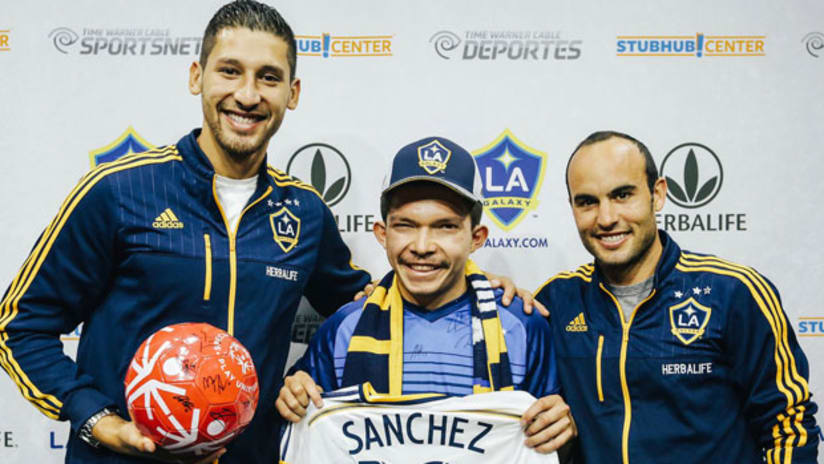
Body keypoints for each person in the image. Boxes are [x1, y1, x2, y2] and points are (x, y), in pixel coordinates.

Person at [0, 2, 537, 463]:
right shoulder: (118, 191)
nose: (248, 94)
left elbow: (370, 302)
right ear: (196, 77)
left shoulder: (304, 212)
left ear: (293, 92)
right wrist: (96, 419)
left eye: (269, 77)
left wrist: (477, 288)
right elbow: (19, 327)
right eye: (230, 71)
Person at [276, 136, 576, 459]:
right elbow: (305, 434)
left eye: (445, 227)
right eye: (405, 225)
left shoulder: (521, 325)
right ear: (382, 233)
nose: (422, 245)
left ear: (476, 238)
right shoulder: (344, 328)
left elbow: (550, 445)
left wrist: (562, 429)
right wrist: (293, 400)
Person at [534, 130, 820, 463]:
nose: (607, 218)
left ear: (657, 194)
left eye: (623, 195)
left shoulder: (733, 293)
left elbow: (789, 428)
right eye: (587, 202)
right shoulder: (556, 301)